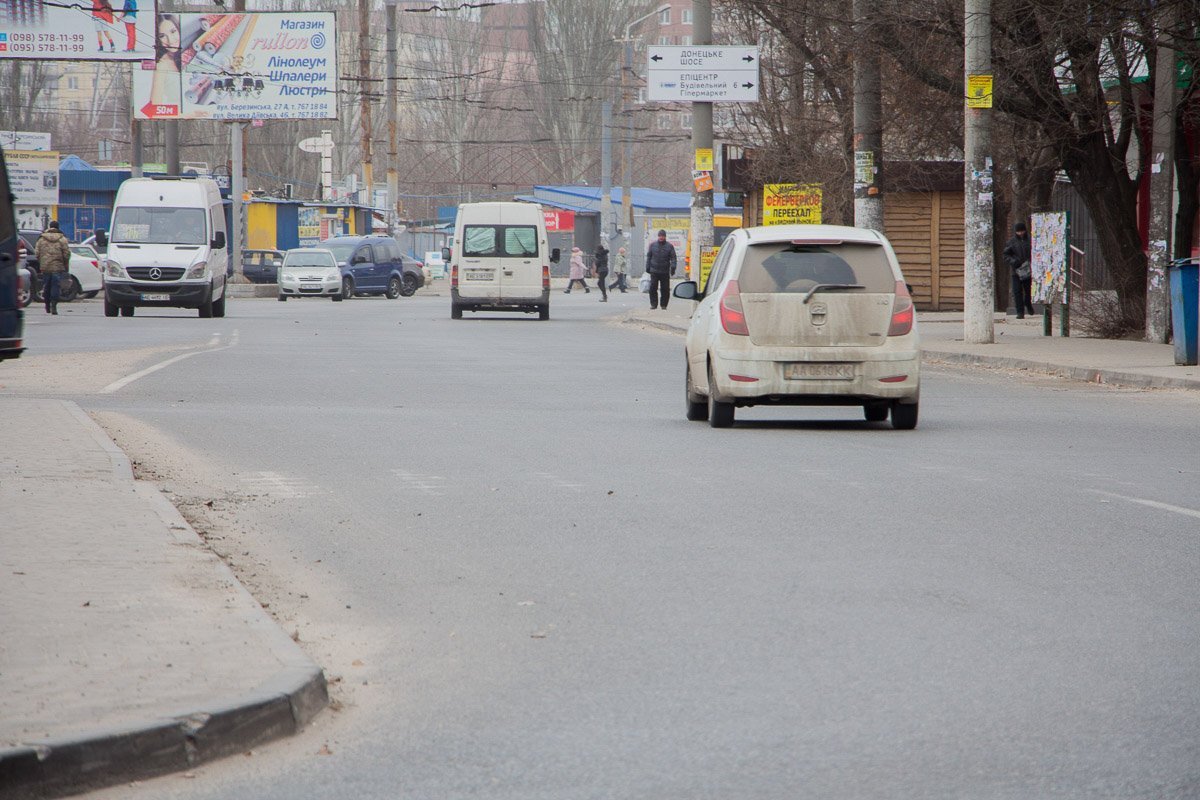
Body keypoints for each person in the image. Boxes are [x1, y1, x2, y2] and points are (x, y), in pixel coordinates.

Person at [34, 221, 71, 316]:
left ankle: (47, 304)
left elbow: (37, 253)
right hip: (57, 267)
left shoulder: (41, 239)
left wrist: (41, 261)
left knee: (46, 285)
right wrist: (65, 263)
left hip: (45, 266)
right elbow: (67, 254)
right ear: (58, 227)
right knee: (55, 286)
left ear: (50, 227)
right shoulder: (62, 239)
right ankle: (54, 305)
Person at [1003, 220, 1035, 318]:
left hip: (1028, 269)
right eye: (1018, 232)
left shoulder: (1030, 240)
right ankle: (1020, 312)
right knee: (1017, 291)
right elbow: (1005, 255)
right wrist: (1013, 261)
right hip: (1016, 270)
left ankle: (1028, 304)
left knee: (1028, 290)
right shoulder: (1011, 242)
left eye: (1022, 231)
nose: (1021, 233)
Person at [645, 229, 677, 310]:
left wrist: (673, 268)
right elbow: (649, 257)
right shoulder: (652, 245)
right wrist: (647, 267)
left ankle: (664, 305)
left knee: (665, 289)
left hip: (665, 271)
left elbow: (673, 258)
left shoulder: (669, 246)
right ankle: (653, 304)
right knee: (652, 288)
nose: (661, 237)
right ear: (658, 236)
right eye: (660, 236)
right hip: (654, 271)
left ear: (665, 237)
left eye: (662, 236)